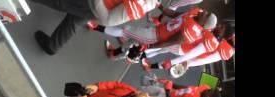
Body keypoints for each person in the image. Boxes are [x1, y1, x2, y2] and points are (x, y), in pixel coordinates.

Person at [30, 0, 162, 55]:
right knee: (74, 19)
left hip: (93, 5)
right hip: (96, 7)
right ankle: (52, 45)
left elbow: (108, 20)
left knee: (59, 2)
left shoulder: (141, 2)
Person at [141, 23, 235, 71]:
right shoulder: (217, 35)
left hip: (184, 46)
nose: (219, 25)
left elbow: (202, 58)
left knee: (163, 44)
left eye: (221, 27)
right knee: (162, 48)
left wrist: (180, 63)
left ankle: (143, 54)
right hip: (186, 42)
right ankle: (145, 55)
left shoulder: (222, 47)